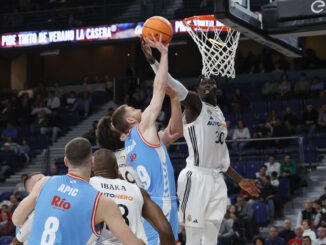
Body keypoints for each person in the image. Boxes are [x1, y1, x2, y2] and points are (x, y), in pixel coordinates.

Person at [141, 36, 260, 245]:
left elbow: (222, 160)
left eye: (210, 82)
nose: (206, 84)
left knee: (212, 233)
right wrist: (154, 61)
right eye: (202, 83)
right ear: (197, 90)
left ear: (217, 89)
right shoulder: (196, 105)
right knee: (194, 234)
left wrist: (240, 180)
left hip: (216, 179)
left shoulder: (220, 113)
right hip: (196, 177)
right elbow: (172, 83)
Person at [111, 37, 183, 244]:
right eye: (133, 109)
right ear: (131, 120)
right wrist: (164, 54)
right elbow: (159, 88)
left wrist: (175, 99)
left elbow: (175, 132)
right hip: (162, 203)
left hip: (149, 206)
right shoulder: (143, 129)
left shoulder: (132, 143)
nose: (138, 108)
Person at [12, 137, 145, 245]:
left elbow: (17, 219)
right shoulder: (101, 201)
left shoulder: (44, 183)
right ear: (92, 162)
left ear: (65, 161)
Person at [89, 149, 175, 245]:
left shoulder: (86, 187)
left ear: (92, 169)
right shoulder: (137, 191)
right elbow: (165, 230)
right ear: (116, 168)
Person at [10, 172, 44, 245]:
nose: (45, 180)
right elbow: (18, 241)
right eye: (40, 179)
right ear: (31, 190)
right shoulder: (25, 211)